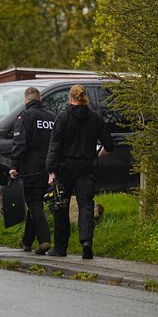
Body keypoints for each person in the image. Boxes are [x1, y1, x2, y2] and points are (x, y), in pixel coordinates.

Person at [45, 84, 114, 259]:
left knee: (61, 205)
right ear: (85, 99)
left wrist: (51, 171)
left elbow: (55, 145)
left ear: (70, 98)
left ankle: (60, 248)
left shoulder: (62, 118)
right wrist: (97, 156)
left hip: (65, 167)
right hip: (86, 167)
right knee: (86, 205)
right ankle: (86, 242)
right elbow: (110, 145)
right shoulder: (95, 119)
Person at [9, 87, 56, 254]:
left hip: (31, 168)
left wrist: (14, 165)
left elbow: (20, 143)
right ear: (40, 99)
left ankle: (44, 240)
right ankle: (27, 241)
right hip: (49, 168)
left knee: (34, 203)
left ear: (25, 100)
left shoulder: (25, 117)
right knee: (35, 202)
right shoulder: (52, 117)